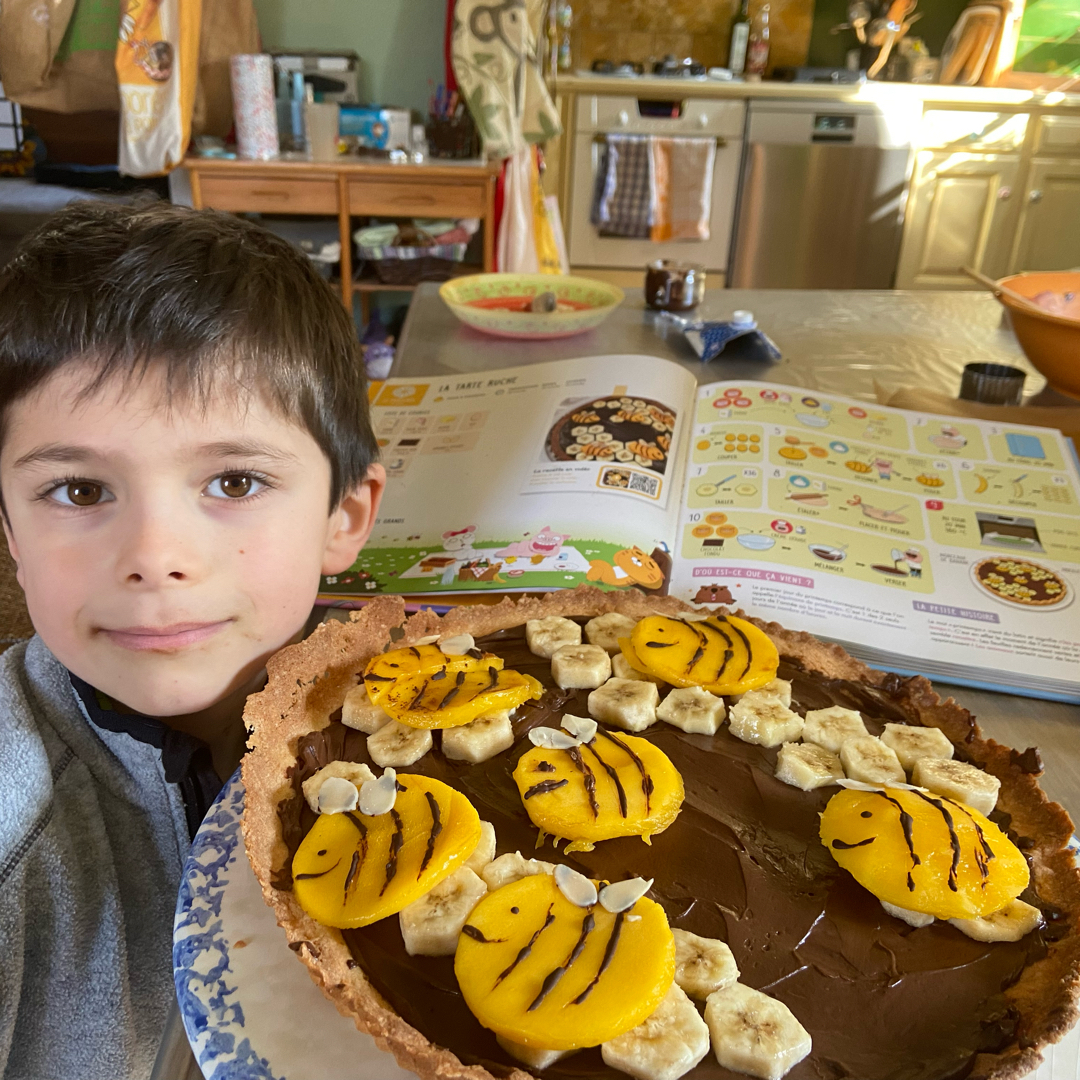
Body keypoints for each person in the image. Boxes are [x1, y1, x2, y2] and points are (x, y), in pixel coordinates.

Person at [0, 201, 385, 1080]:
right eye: (80, 491)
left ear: (344, 515)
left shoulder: (409, 713)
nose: (155, 556)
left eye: (234, 481)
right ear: (10, 534)